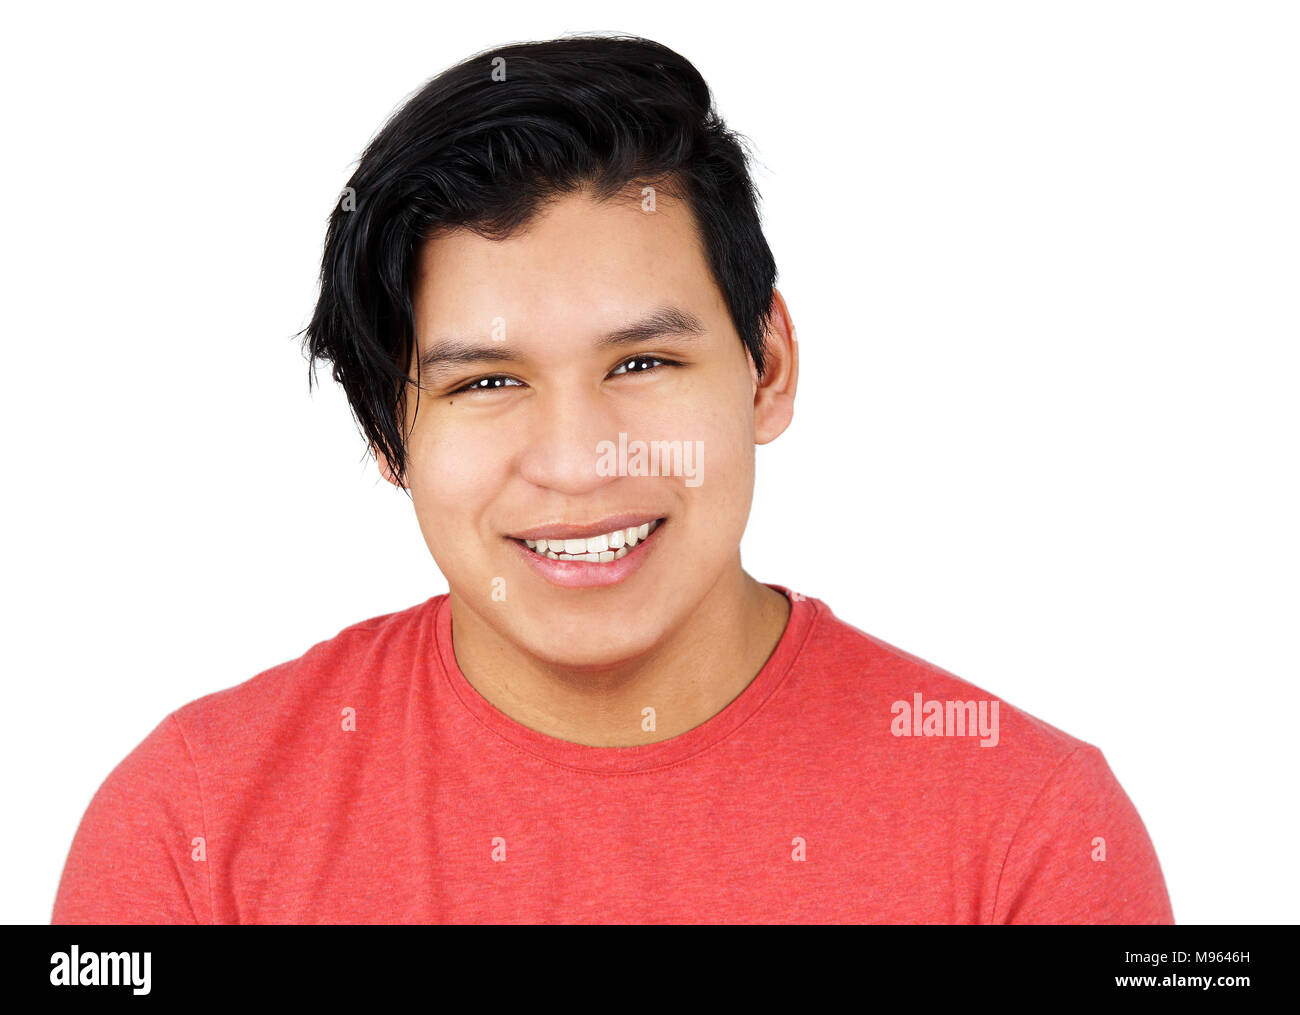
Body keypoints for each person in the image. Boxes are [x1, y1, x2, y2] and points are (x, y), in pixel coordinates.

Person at [52, 33, 1173, 924]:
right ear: (390, 440)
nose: (582, 459)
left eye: (642, 362)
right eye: (485, 383)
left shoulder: (1030, 832)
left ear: (765, 366)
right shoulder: (191, 828)